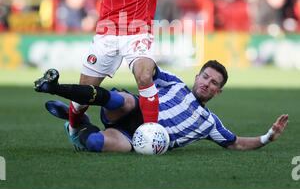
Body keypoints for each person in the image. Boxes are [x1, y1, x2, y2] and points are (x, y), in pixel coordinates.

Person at [8, 0, 211, 146]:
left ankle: (151, 135)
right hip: (107, 34)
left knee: (145, 75)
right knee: (83, 95)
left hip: (137, 30)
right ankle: (73, 127)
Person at [34, 60, 289, 152]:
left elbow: (236, 143)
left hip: (135, 139)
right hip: (132, 111)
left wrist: (268, 137)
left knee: (95, 144)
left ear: (218, 92)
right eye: (205, 77)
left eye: (214, 83)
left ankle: (78, 125)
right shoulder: (175, 84)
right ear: (197, 76)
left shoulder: (209, 123)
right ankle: (55, 86)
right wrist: (145, 61)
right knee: (122, 99)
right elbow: (151, 69)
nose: (207, 84)